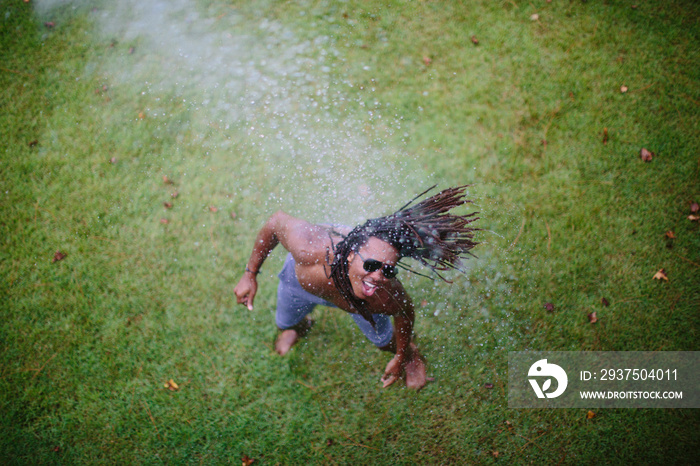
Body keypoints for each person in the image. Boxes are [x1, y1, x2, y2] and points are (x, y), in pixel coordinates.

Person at [233, 186, 478, 390]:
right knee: (284, 323)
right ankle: (299, 326)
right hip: (301, 284)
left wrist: (400, 354)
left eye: (388, 269)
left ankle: (412, 356)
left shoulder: (384, 294)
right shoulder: (309, 248)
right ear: (351, 256)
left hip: (358, 306)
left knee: (384, 342)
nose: (378, 277)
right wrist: (250, 274)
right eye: (371, 265)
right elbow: (276, 222)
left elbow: (405, 314)